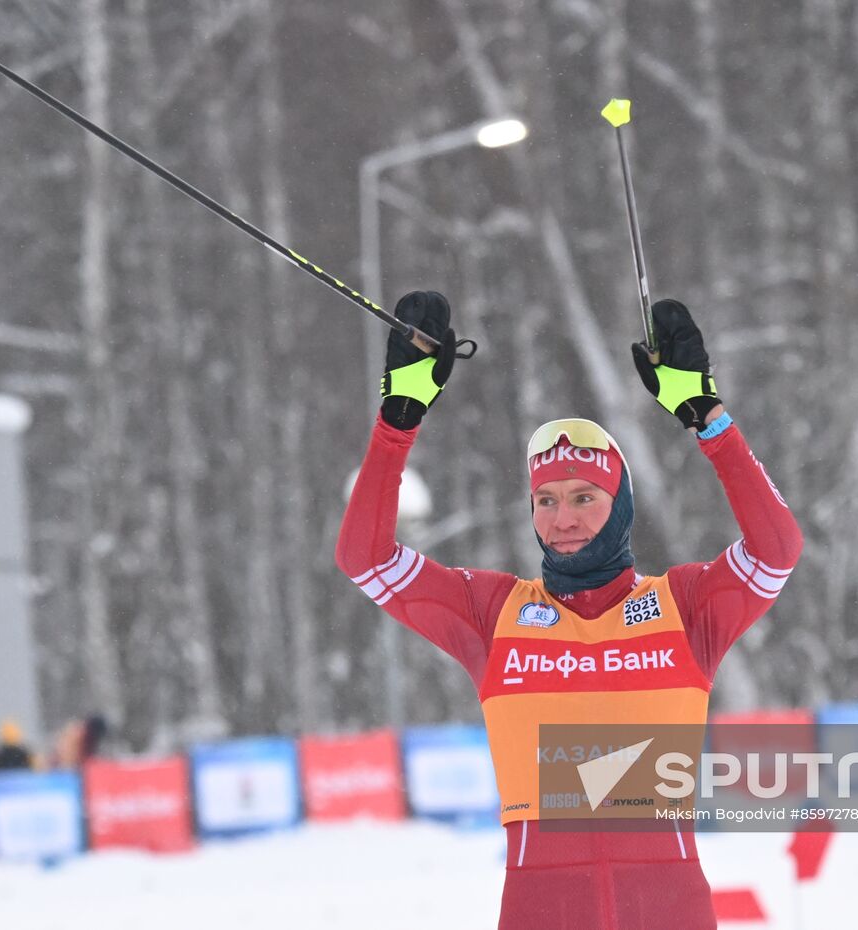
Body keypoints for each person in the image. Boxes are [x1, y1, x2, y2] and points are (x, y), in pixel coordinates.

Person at [337, 291, 803, 930]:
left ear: (621, 504)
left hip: (669, 912)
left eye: (585, 497)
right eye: (546, 501)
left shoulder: (685, 607)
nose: (563, 519)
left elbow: (777, 549)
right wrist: (399, 419)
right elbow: (364, 558)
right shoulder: (492, 614)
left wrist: (709, 419)